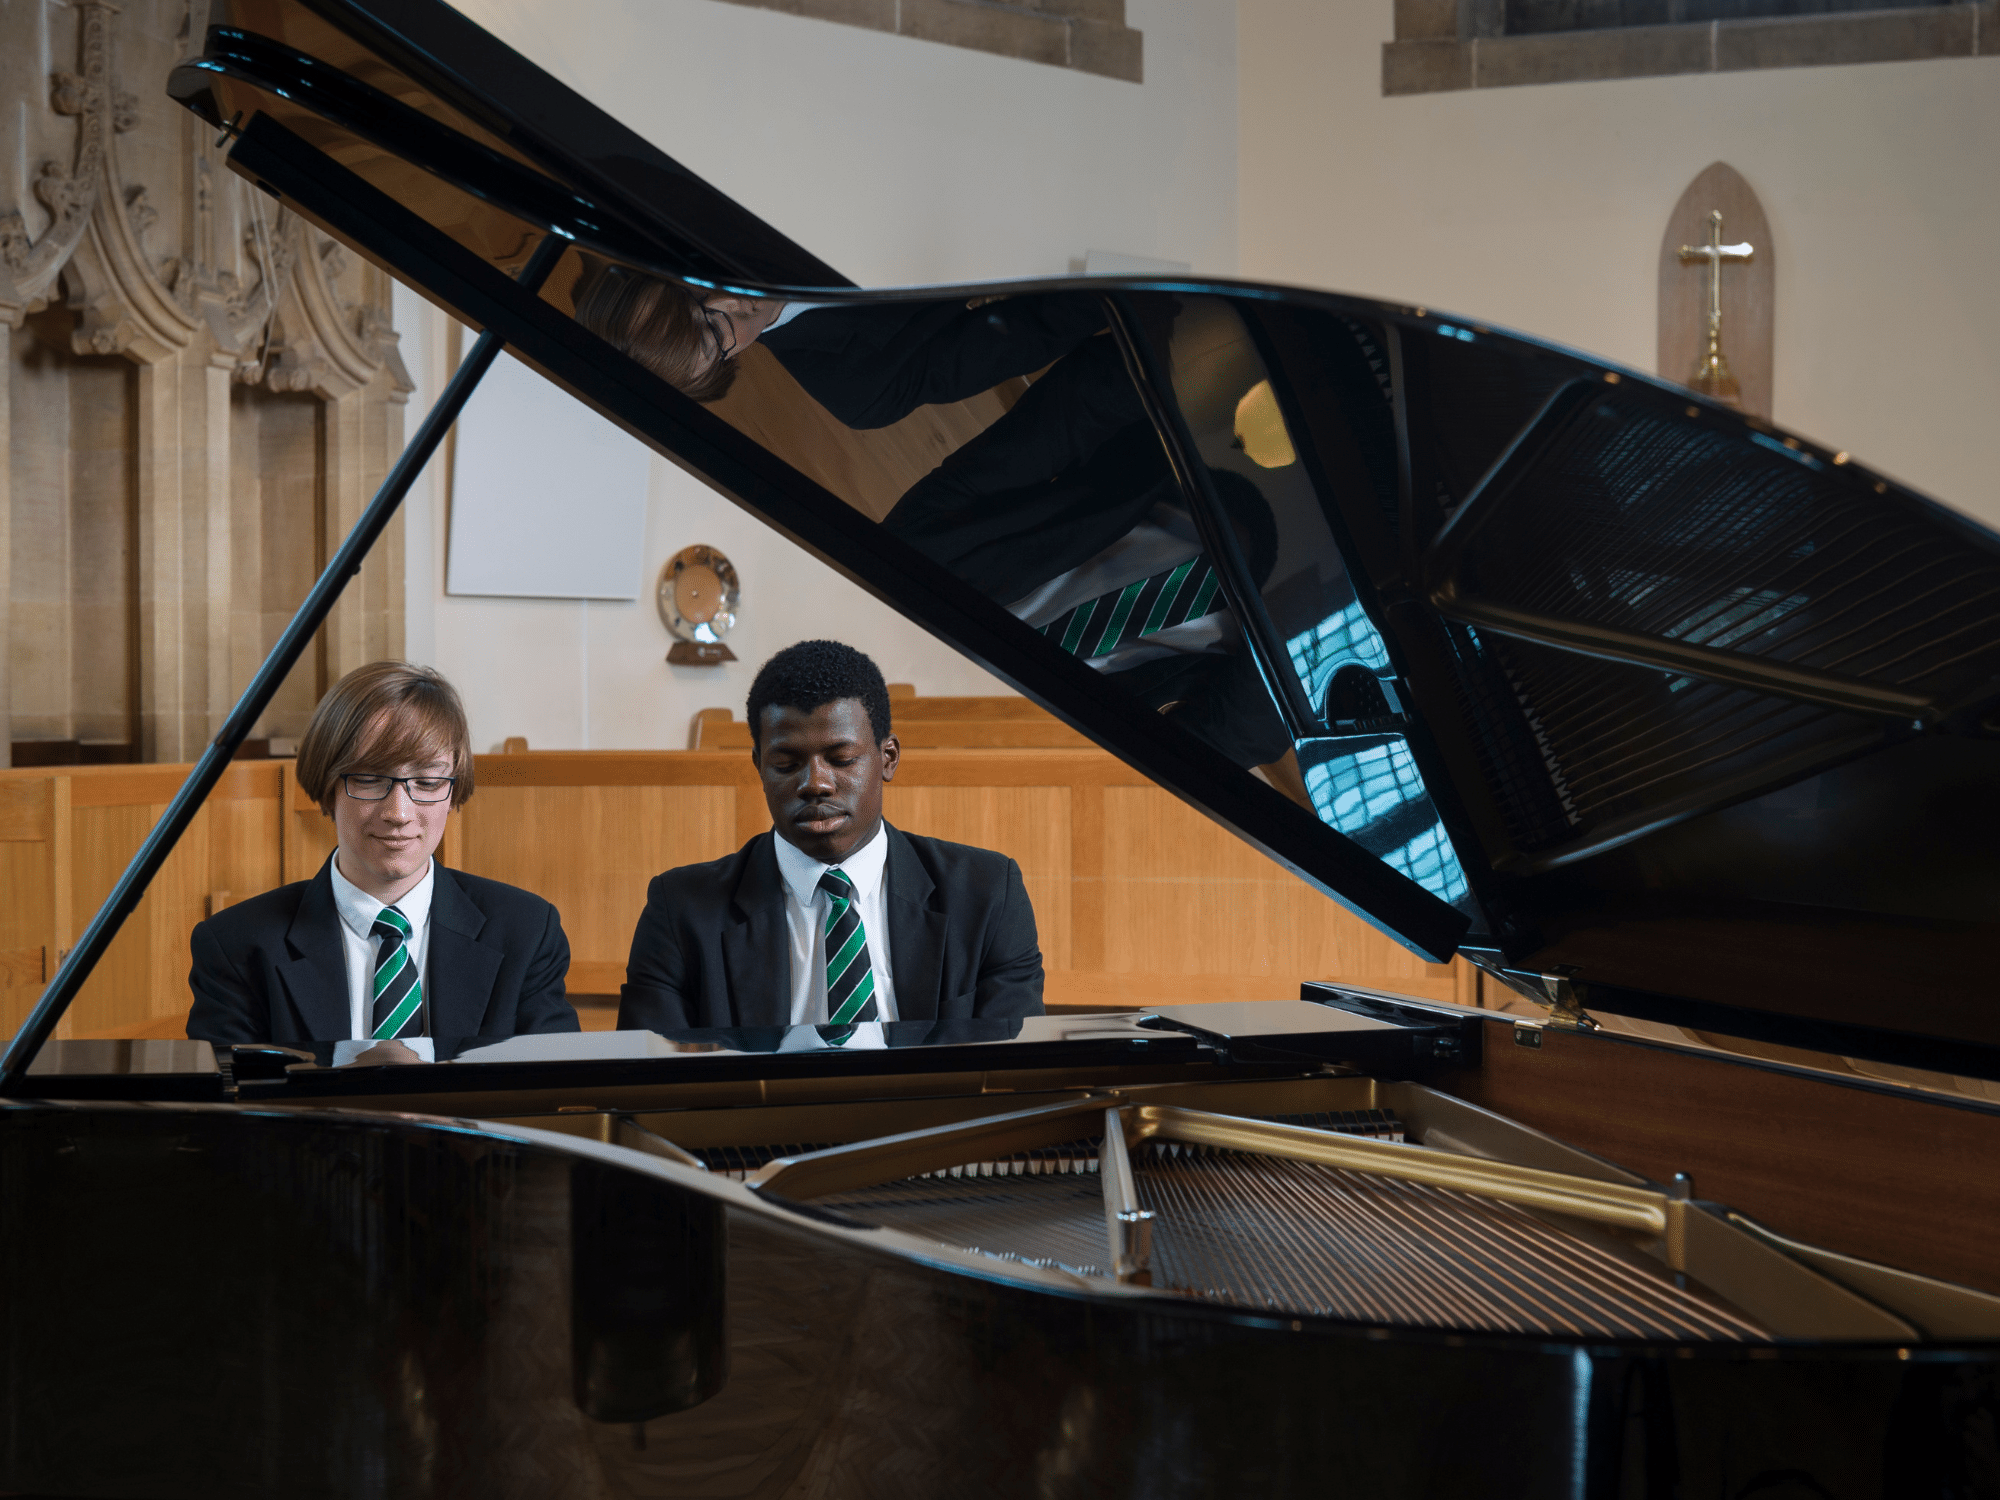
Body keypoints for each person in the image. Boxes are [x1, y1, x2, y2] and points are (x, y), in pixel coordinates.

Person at [617, 641, 1044, 1032]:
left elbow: (1016, 1078)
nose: (815, 783)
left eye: (841, 759)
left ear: (888, 758)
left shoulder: (988, 895)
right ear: (758, 765)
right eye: (785, 763)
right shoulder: (681, 911)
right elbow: (647, 1085)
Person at [186, 662, 578, 1051]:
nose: (399, 813)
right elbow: (225, 1107)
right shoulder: (235, 946)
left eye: (427, 781)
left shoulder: (526, 933)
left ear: (454, 791)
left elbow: (556, 1094)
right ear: (327, 787)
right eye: (369, 779)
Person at [572, 262, 1106, 427]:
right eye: (714, 333)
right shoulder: (862, 389)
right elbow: (1041, 325)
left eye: (689, 293)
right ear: (728, 363)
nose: (729, 301)